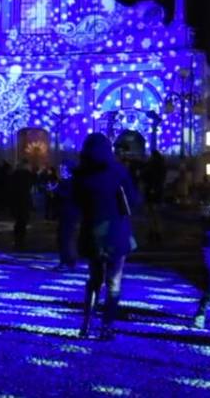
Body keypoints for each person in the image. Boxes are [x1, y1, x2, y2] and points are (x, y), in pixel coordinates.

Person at [74, 133, 139, 340]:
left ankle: (86, 324)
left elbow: (73, 205)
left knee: (94, 280)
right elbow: (133, 202)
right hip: (116, 232)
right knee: (113, 283)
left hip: (92, 234)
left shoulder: (81, 174)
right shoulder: (118, 171)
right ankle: (107, 326)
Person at [53, 160, 79, 271]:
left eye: (63, 169)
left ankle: (67, 261)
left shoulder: (70, 181)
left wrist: (56, 190)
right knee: (64, 237)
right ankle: (67, 261)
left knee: (65, 237)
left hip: (69, 212)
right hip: (66, 212)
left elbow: (68, 196)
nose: (60, 171)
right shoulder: (65, 181)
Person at [10, 160, 35, 250]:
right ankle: (21, 240)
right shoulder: (27, 176)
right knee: (22, 222)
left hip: (17, 201)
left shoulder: (14, 175)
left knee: (18, 222)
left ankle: (18, 240)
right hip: (24, 201)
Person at [143, 150, 166, 245]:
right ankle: (157, 232)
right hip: (158, 192)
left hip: (150, 192)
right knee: (156, 213)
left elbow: (145, 176)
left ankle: (152, 232)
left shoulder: (150, 166)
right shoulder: (162, 166)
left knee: (151, 213)